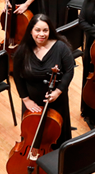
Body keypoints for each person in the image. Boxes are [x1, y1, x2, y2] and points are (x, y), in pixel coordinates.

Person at [13, 14, 75, 148]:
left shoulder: (61, 47)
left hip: (56, 100)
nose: (41, 34)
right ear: (30, 31)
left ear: (50, 31)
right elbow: (17, 76)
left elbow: (69, 71)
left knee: (57, 137)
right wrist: (26, 100)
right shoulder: (23, 50)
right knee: (32, 135)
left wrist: (58, 92)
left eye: (45, 30)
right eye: (37, 30)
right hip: (32, 102)